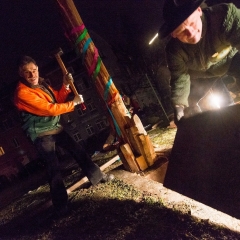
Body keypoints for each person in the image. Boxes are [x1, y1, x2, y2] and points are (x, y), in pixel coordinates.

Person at [14, 56, 114, 216]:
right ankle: (61, 206)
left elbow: (57, 99)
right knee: (53, 168)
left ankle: (97, 176)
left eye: (34, 71)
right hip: (40, 133)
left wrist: (66, 85)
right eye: (27, 73)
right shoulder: (22, 93)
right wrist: (73, 103)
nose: (32, 75)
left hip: (54, 127)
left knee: (79, 151)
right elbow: (50, 109)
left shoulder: (42, 84)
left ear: (38, 69)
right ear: (21, 74)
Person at [158, 0, 240, 124]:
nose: (191, 33)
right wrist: (179, 106)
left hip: (230, 59)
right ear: (173, 34)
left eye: (192, 23)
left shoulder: (225, 16)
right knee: (189, 108)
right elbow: (180, 77)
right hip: (201, 75)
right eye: (182, 31)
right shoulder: (174, 51)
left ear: (199, 11)